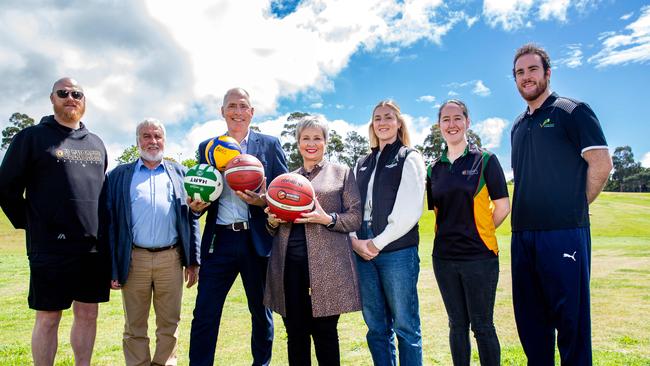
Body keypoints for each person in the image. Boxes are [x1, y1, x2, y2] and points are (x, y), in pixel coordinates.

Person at [510, 44, 613, 365]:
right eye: (519, 72)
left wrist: (576, 205)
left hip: (564, 233)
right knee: (531, 325)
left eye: (532, 70)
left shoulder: (572, 111)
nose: (526, 77)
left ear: (547, 73)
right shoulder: (516, 126)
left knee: (572, 324)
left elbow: (602, 164)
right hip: (523, 235)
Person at [0, 77, 109, 366]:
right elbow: (5, 187)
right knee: (48, 316)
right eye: (63, 93)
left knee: (88, 314)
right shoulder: (32, 137)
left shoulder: (97, 143)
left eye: (77, 93)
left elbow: (102, 194)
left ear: (84, 101)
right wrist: (31, 223)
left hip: (91, 249)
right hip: (49, 247)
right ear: (52, 98)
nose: (70, 97)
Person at [189, 87, 288, 366]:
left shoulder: (269, 145)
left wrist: (261, 201)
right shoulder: (207, 148)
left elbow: (283, 194)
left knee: (261, 311)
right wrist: (197, 207)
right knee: (205, 312)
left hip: (255, 239)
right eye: (231, 106)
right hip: (218, 240)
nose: (237, 111)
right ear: (222, 111)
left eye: (243, 106)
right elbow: (202, 189)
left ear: (252, 112)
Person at [264, 117, 362, 366]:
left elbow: (355, 218)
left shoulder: (342, 173)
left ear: (326, 142)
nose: (311, 143)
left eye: (317, 138)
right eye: (305, 138)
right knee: (295, 335)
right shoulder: (285, 180)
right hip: (289, 269)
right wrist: (273, 222)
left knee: (326, 334)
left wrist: (326, 218)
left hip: (327, 269)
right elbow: (272, 227)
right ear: (298, 143)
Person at [104, 118, 201, 365]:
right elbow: (110, 224)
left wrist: (193, 260)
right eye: (146, 136)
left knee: (169, 323)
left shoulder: (180, 173)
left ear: (164, 140)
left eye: (157, 136)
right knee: (134, 325)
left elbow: (191, 218)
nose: (152, 141)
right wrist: (112, 267)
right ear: (137, 141)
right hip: (134, 258)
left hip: (171, 258)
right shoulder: (118, 176)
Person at [426, 100, 510, 366]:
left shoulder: (485, 160)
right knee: (456, 325)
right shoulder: (433, 169)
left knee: (483, 326)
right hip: (444, 258)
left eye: (457, 118)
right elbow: (437, 213)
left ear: (467, 122)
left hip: (480, 258)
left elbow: (503, 206)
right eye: (446, 120)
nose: (452, 124)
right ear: (439, 126)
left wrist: (480, 233)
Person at [351, 100, 426, 366]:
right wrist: (355, 241)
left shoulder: (409, 157)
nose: (382, 122)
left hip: (397, 250)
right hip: (362, 249)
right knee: (376, 327)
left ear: (398, 123)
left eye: (388, 117)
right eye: (377, 118)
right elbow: (351, 206)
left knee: (406, 327)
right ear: (372, 125)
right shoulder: (361, 163)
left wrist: (376, 243)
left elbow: (409, 210)